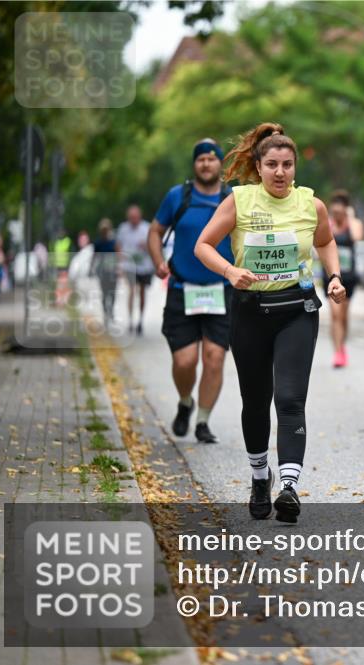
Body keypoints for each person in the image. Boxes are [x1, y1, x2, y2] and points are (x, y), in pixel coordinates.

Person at [195, 122, 346, 523]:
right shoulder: (239, 202)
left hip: (297, 309)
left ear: (295, 168)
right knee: (256, 401)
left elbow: (326, 241)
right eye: (273, 165)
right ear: (259, 167)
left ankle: (290, 486)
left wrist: (333, 277)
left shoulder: (310, 205)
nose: (281, 173)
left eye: (288, 165)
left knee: (291, 399)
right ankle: (261, 476)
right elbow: (203, 245)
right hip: (250, 313)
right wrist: (230, 271)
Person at [147, 139, 236, 444]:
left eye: (212, 159)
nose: (206, 164)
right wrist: (159, 262)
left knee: (214, 357)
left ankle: (203, 421)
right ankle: (186, 401)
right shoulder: (178, 196)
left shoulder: (232, 199)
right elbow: (155, 231)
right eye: (201, 160)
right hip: (181, 287)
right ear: (195, 164)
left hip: (222, 290)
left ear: (220, 164)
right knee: (185, 361)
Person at [322, 190, 364, 368]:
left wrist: (350, 217)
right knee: (335, 315)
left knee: (344, 316)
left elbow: (357, 237)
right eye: (335, 209)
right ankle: (338, 351)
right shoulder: (328, 223)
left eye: (342, 210)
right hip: (331, 276)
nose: (337, 213)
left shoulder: (353, 224)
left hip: (349, 277)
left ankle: (342, 346)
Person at [116, 204, 154, 334]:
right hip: (129, 265)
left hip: (144, 266)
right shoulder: (123, 229)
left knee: (142, 292)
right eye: (131, 217)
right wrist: (120, 263)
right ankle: (130, 320)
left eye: (135, 217)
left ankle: (140, 320)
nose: (134, 220)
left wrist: (147, 246)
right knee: (131, 291)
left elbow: (153, 246)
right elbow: (118, 246)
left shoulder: (146, 228)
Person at [89, 218, 119, 325]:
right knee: (104, 293)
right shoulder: (98, 243)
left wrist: (119, 268)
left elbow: (118, 255)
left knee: (113, 293)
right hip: (103, 271)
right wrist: (91, 268)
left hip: (112, 271)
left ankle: (111, 311)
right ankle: (106, 313)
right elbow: (94, 256)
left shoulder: (113, 242)